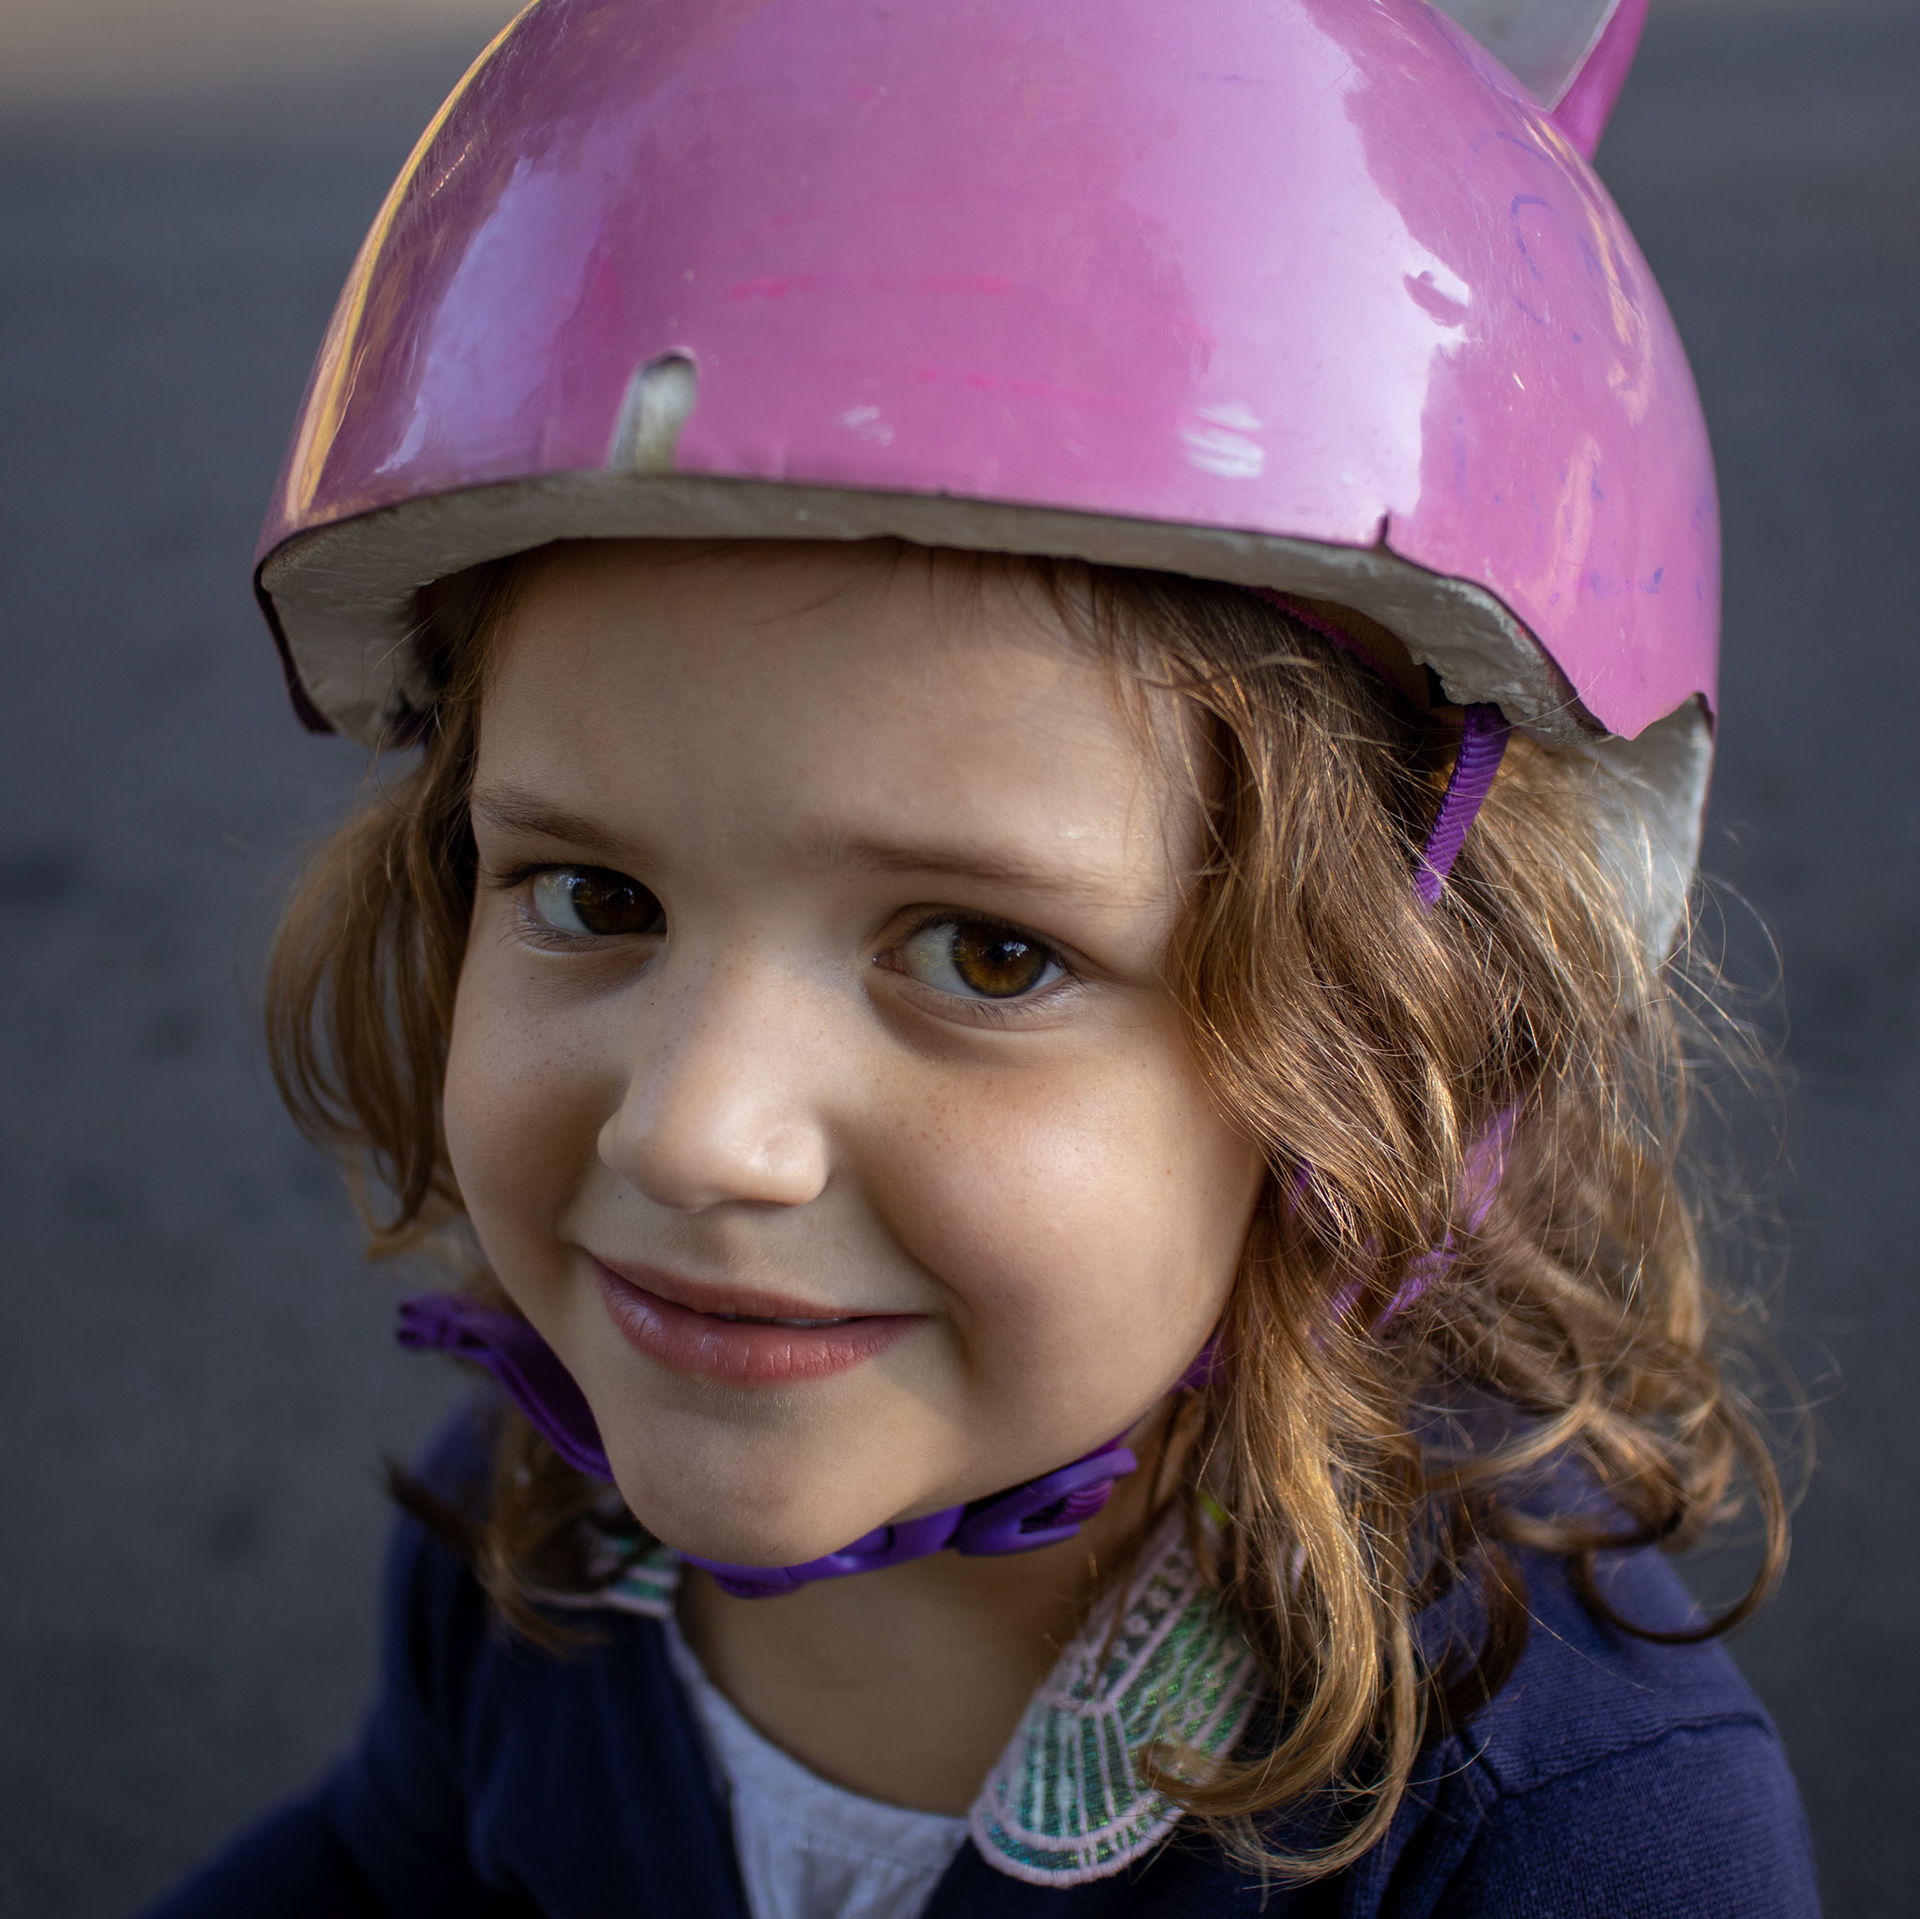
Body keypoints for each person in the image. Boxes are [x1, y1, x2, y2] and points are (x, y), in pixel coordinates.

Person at [144, 1, 1819, 1913]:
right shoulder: (531, 1532)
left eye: (984, 953)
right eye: (594, 897)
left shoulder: (1566, 1827)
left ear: (1407, 1041)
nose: (703, 1137)